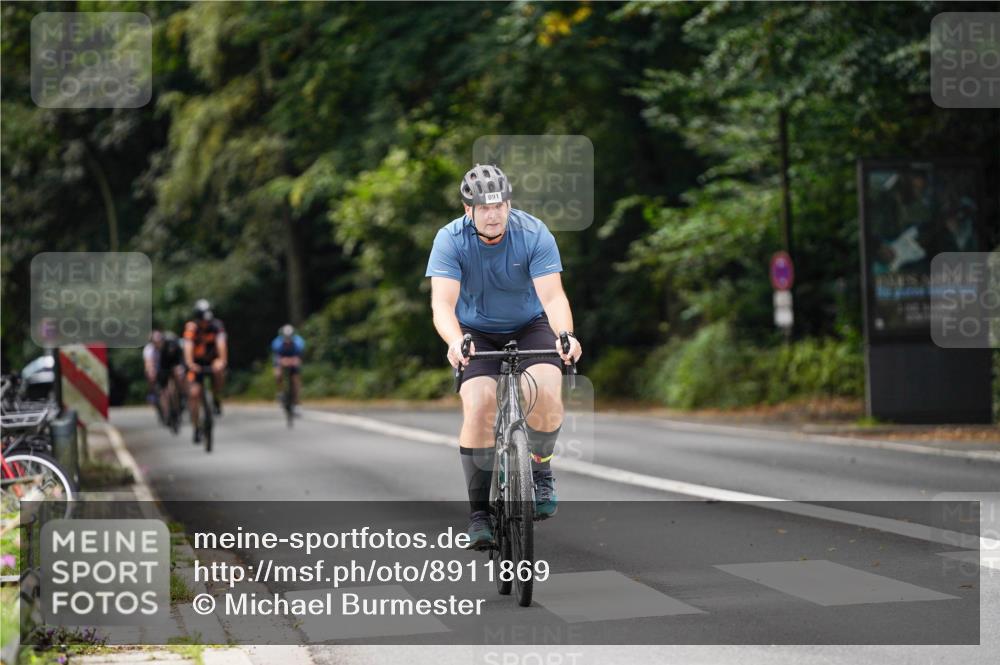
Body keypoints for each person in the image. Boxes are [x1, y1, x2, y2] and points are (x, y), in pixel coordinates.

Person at [425, 164, 582, 550]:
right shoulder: (450, 240)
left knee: (547, 393)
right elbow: (442, 304)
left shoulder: (533, 233)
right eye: (484, 207)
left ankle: (540, 472)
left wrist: (565, 334)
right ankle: (479, 514)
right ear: (469, 210)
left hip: (529, 325)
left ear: (509, 204)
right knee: (478, 406)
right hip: (475, 333)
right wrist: (454, 339)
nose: (493, 214)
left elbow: (553, 297)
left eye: (499, 205)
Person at [183, 299, 228, 444]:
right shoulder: (191, 328)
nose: (206, 323)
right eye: (203, 321)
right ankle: (196, 427)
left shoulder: (217, 326)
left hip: (212, 360)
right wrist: (190, 363)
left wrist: (221, 360)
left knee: (219, 372)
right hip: (196, 363)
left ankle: (216, 398)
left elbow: (221, 343)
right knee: (194, 394)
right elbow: (188, 346)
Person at [271, 324, 305, 410]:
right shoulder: (277, 342)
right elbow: (277, 358)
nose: (288, 338)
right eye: (286, 336)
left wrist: (294, 361)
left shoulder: (299, 341)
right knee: (278, 374)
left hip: (293, 358)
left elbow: (299, 356)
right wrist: (282, 363)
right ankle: (281, 391)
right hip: (281, 358)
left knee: (296, 379)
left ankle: (296, 398)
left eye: (290, 336)